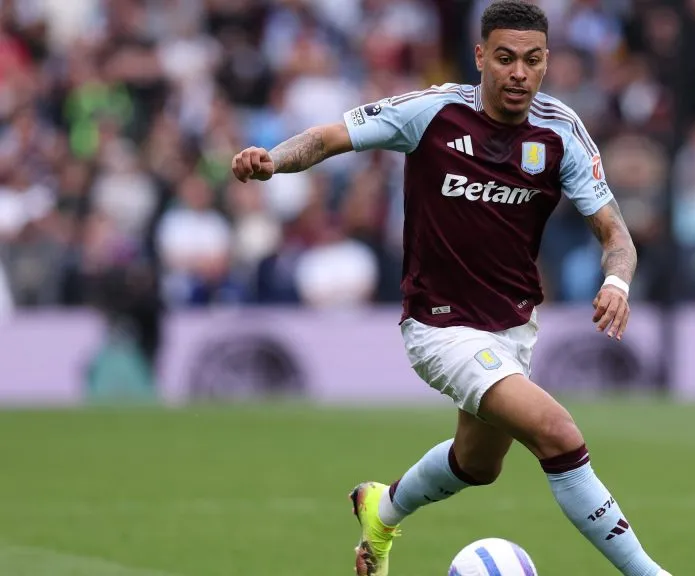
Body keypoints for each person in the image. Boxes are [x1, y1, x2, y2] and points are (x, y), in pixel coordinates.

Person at [230, 2, 670, 575]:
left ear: (546, 64)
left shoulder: (560, 131)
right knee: (558, 434)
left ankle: (381, 508)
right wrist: (274, 161)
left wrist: (617, 281)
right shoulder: (432, 111)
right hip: (439, 326)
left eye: (532, 61)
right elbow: (329, 136)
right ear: (481, 57)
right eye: (506, 58)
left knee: (478, 464)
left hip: (510, 328)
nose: (519, 73)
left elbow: (616, 234)